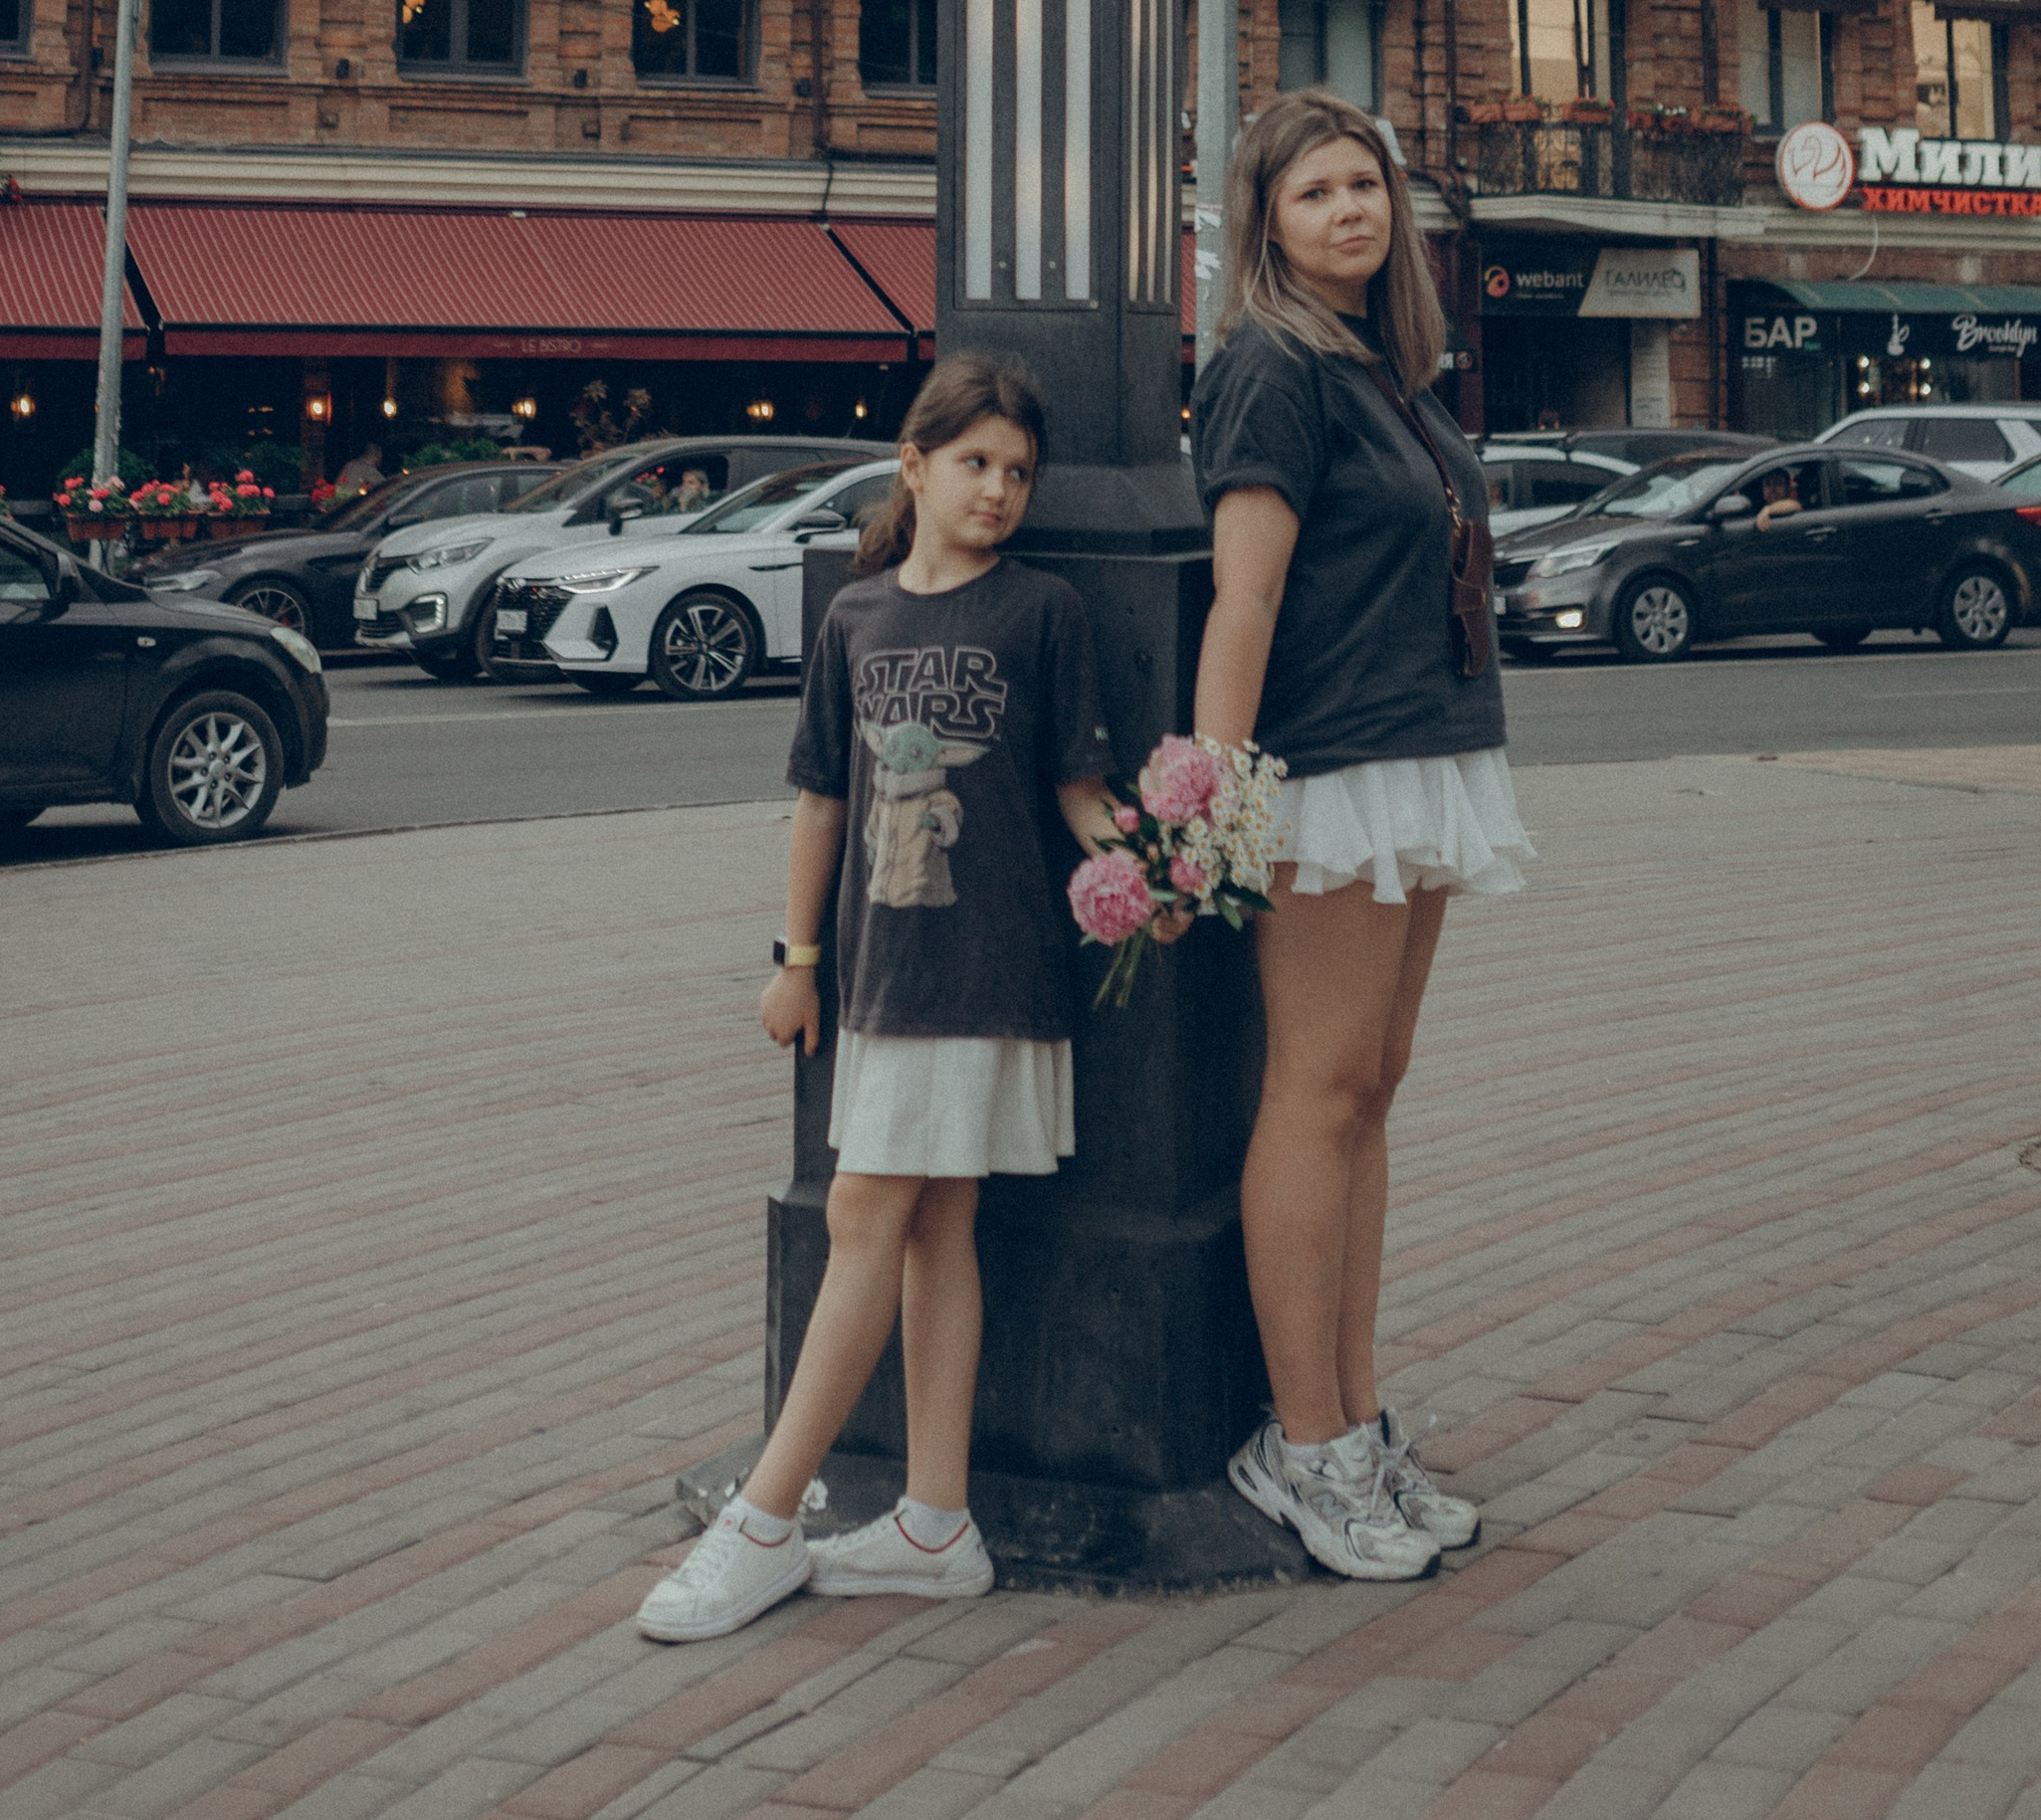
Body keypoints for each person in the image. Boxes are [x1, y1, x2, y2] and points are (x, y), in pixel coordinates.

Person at [638, 350, 1133, 1642]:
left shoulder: (1045, 612)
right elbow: (821, 799)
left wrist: (1163, 863)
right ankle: (933, 1522)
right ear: (914, 467)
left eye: (1018, 471)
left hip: (987, 972)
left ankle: (763, 1520)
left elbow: (1084, 796)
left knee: (865, 1215)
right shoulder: (857, 618)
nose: (1000, 489)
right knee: (927, 1229)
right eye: (975, 462)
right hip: (877, 975)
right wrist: (795, 961)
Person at [1188, 87, 1533, 1583]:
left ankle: (1356, 1416)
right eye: (1318, 189)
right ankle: (1303, 1441)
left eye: (1367, 186)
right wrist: (1214, 800)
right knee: (1318, 1092)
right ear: (1265, 218)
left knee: (1371, 1090)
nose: (1351, 209)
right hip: (1326, 768)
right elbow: (1244, 598)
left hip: (1424, 752)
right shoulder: (1267, 364)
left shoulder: (1390, 371)